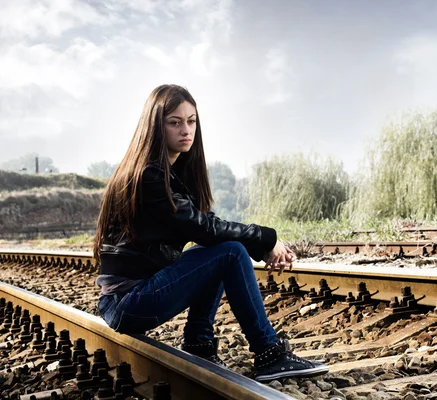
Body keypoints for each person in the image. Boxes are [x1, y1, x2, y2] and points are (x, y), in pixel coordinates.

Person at [93, 84, 328, 382]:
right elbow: (205, 230)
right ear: (155, 125)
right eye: (175, 122)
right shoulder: (150, 177)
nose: (186, 130)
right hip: (129, 302)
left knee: (221, 250)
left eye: (191, 121)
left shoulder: (169, 174)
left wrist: (260, 246)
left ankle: (198, 343)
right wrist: (267, 239)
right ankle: (269, 353)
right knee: (229, 252)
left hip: (129, 300)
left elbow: (208, 228)